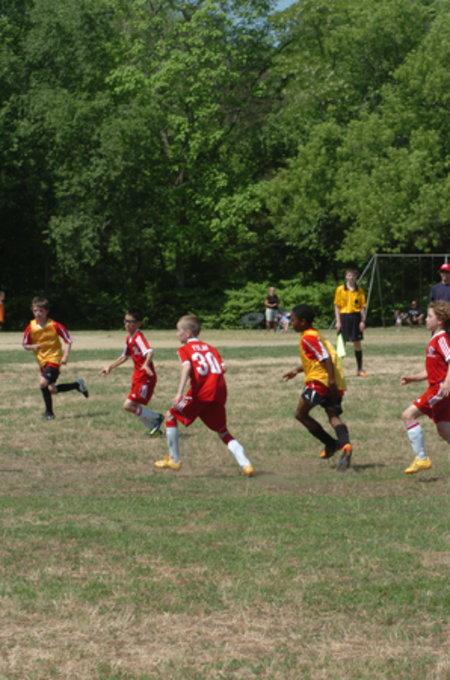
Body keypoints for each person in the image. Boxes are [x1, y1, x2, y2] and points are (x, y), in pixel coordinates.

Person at [153, 314, 254, 476]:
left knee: (170, 415)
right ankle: (246, 465)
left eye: (178, 331)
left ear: (187, 333)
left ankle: (174, 460)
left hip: (200, 393)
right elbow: (223, 367)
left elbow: (187, 367)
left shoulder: (184, 349)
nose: (177, 334)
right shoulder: (211, 348)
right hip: (218, 392)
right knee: (222, 431)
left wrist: (179, 393)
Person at [282, 304, 353, 470]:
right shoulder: (314, 334)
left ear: (303, 321)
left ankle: (331, 444)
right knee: (333, 416)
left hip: (320, 382)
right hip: (333, 381)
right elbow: (314, 359)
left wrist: (331, 381)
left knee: (301, 414)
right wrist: (297, 370)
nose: (291, 323)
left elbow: (325, 358)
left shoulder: (308, 337)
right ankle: (345, 444)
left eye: (293, 320)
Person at [400, 301, 450, 474]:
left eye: (430, 316)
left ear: (440, 321)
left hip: (439, 390)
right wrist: (412, 379)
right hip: (439, 389)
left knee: (408, 415)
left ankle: (421, 458)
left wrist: (447, 383)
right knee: (443, 429)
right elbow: (431, 371)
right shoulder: (434, 339)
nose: (426, 319)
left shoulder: (442, 339)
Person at [22, 296, 89, 419]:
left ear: (47, 311)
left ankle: (49, 413)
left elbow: (69, 340)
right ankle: (77, 385)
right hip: (42, 361)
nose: (38, 313)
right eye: (35, 310)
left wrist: (65, 356)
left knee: (42, 383)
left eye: (41, 311)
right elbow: (25, 345)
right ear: (32, 310)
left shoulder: (55, 325)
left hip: (54, 359)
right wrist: (33, 346)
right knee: (52, 389)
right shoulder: (30, 327)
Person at [100, 309, 163, 436]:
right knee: (134, 406)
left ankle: (157, 418)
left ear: (139, 323)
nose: (127, 324)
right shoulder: (129, 338)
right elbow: (124, 356)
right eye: (125, 321)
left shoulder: (138, 337)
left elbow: (150, 352)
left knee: (128, 405)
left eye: (131, 322)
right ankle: (154, 429)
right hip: (138, 376)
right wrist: (110, 367)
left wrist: (146, 364)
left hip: (145, 377)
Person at [334, 268, 368, 376]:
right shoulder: (340, 289)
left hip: (356, 317)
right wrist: (338, 321)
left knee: (357, 343)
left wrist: (362, 321)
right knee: (341, 344)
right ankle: (337, 370)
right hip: (344, 317)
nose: (351, 278)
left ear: (356, 277)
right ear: (346, 277)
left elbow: (362, 307)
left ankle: (360, 369)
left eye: (353, 276)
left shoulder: (359, 290)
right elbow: (337, 306)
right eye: (349, 275)